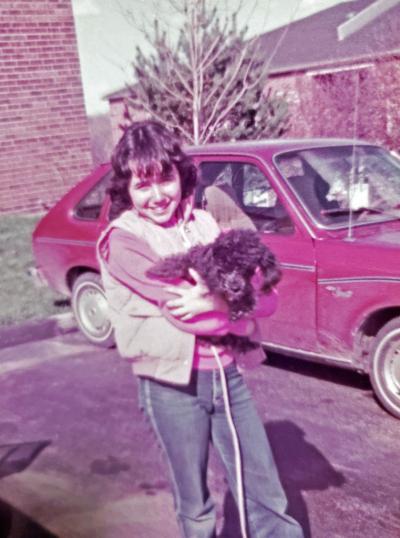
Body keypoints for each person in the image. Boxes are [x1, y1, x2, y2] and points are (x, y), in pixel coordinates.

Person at [97, 120, 303, 538]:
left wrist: (221, 302)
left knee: (266, 492)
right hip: (170, 385)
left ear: (181, 173)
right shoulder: (124, 240)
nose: (157, 196)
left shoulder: (208, 225)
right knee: (195, 504)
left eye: (165, 179)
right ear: (126, 190)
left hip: (228, 376)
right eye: (142, 185)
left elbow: (269, 296)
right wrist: (240, 309)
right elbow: (186, 314)